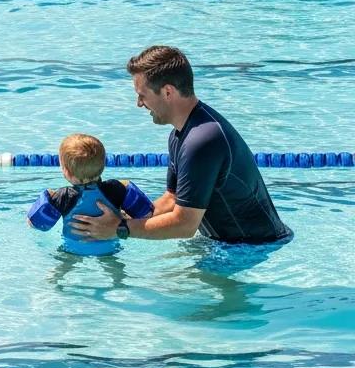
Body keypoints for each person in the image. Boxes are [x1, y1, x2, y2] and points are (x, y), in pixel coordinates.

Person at [72, 46, 293, 246]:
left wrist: (120, 229)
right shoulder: (180, 135)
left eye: (142, 95)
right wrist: (124, 218)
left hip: (254, 246)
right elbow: (172, 198)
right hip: (225, 243)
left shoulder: (202, 141)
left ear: (168, 92)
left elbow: (185, 225)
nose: (139, 104)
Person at [27, 134, 154, 256]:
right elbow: (147, 215)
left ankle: (53, 278)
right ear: (103, 165)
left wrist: (48, 198)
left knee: (61, 267)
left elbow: (35, 225)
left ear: (66, 172)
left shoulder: (62, 196)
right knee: (116, 270)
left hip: (72, 249)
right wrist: (122, 220)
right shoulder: (118, 189)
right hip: (109, 248)